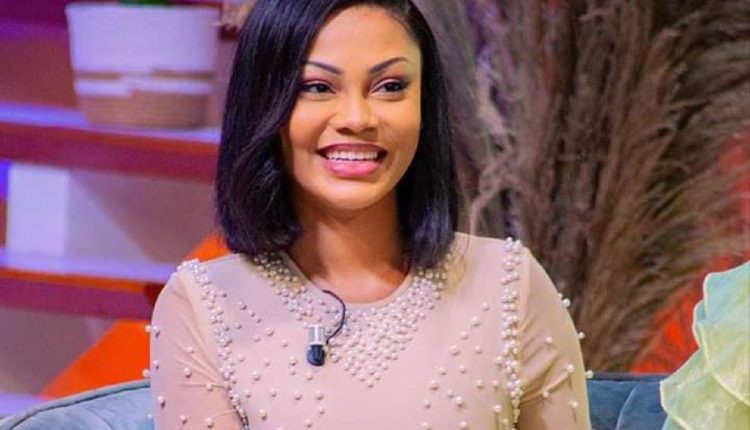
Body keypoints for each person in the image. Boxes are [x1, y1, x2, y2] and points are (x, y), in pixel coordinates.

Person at [148, 0, 591, 429]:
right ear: (264, 105)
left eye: (390, 86)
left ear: (425, 107)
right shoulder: (204, 306)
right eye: (317, 87)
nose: (357, 118)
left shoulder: (510, 284)